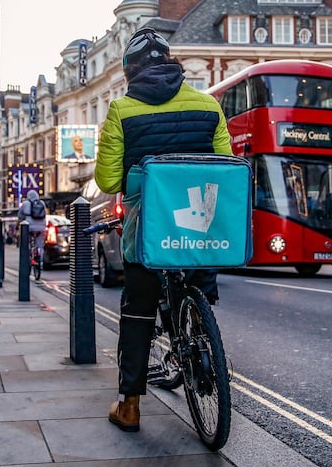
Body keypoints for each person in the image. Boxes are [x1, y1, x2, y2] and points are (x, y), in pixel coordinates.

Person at [94, 27, 233, 433]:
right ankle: (196, 323)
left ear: (131, 71)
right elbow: (226, 166)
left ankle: (129, 405)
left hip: (151, 231)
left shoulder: (122, 110)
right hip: (200, 230)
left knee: (137, 312)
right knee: (197, 281)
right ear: (171, 63)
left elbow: (106, 180)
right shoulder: (209, 105)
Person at [17, 189, 46, 266]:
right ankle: (40, 258)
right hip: (41, 227)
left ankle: (29, 256)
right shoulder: (42, 203)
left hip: (29, 227)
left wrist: (20, 223)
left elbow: (20, 215)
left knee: (27, 242)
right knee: (40, 244)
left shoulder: (25, 203)